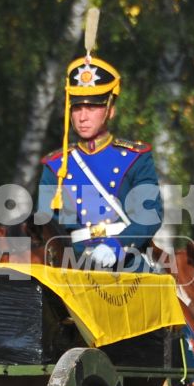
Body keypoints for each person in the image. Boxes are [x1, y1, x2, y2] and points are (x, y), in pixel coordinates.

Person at [35, 53, 164, 271]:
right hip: (72, 265)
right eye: (77, 107)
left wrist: (118, 246)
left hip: (126, 261)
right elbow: (47, 226)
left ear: (110, 110)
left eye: (92, 107)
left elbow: (149, 215)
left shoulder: (135, 158)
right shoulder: (57, 164)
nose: (82, 116)